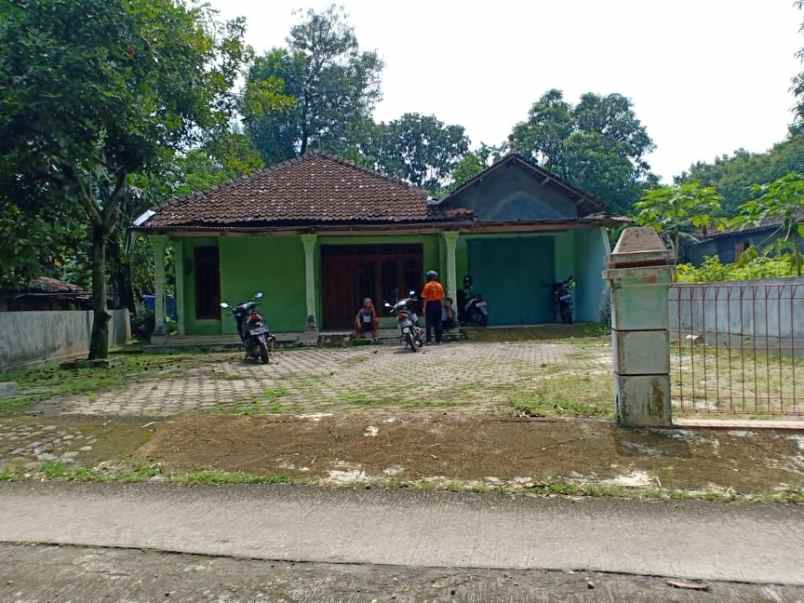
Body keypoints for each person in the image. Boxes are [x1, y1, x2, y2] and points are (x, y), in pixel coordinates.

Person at [421, 270, 445, 344]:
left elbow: (425, 298)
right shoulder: (439, 285)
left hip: (430, 305)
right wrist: (441, 307)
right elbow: (442, 297)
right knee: (438, 322)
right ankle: (439, 340)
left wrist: (424, 308)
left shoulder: (427, 285)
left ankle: (428, 341)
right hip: (438, 304)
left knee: (428, 323)